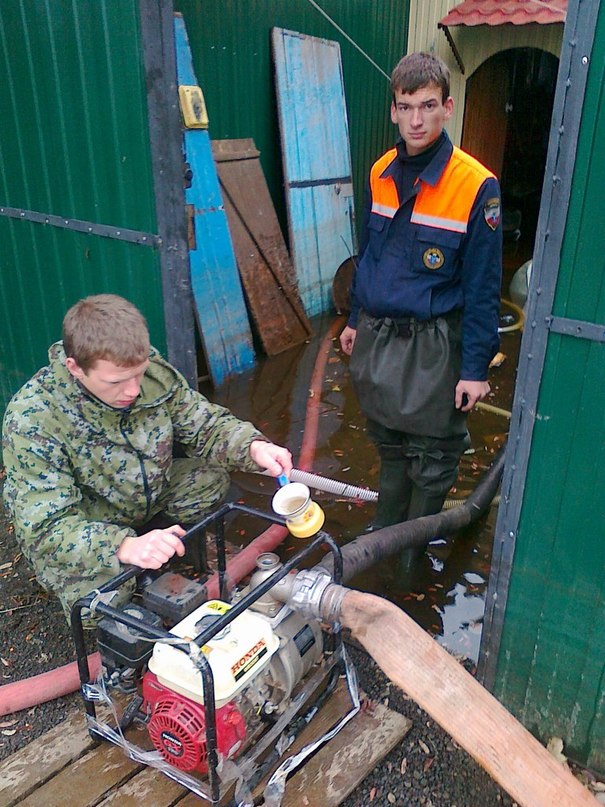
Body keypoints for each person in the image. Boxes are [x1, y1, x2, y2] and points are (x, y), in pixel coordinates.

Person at [2, 294, 292, 619]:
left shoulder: (144, 370)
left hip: (142, 495)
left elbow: (201, 421)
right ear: (75, 368)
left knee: (208, 481)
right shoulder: (34, 418)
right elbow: (46, 528)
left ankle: (158, 549)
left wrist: (252, 446)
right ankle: (130, 584)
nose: (133, 390)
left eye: (138, 374)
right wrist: (123, 546)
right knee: (102, 606)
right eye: (116, 381)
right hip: (87, 522)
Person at [340, 52, 502, 532]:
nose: (416, 119)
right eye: (406, 106)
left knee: (433, 457)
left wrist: (473, 369)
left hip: (434, 342)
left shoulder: (476, 186)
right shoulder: (380, 172)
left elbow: (483, 286)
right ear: (393, 110)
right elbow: (368, 253)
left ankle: (413, 549)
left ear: (447, 108)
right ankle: (385, 535)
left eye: (428, 106)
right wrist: (353, 319)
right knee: (388, 442)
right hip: (379, 334)